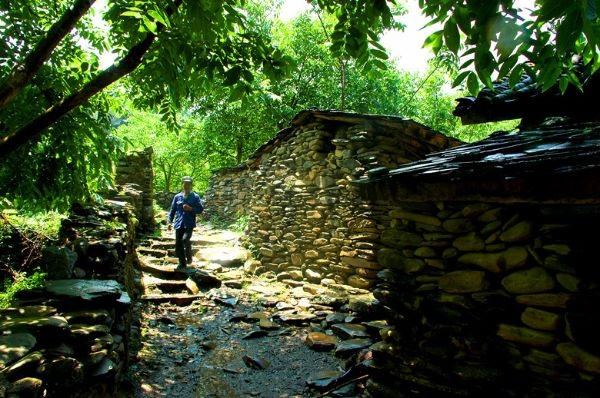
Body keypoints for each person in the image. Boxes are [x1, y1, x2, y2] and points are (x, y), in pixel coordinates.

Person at [167, 176, 204, 270]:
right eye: (185, 184)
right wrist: (169, 222)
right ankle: (182, 263)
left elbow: (200, 209)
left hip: (189, 223)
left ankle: (189, 255)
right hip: (179, 224)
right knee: (178, 244)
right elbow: (172, 210)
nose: (187, 185)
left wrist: (191, 209)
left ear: (191, 185)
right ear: (182, 185)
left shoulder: (195, 197)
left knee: (185, 239)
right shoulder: (177, 197)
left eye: (189, 184)